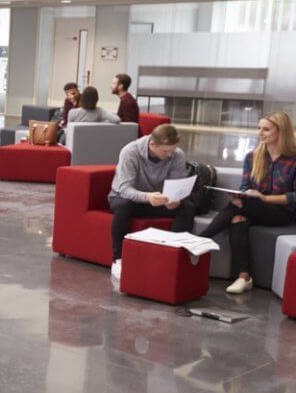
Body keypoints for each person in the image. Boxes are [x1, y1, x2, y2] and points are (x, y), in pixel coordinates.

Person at [199, 113, 296, 294]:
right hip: (253, 208)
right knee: (238, 216)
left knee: (242, 207)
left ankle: (201, 238)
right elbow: (245, 187)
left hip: (282, 212)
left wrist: (265, 198)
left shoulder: (294, 158)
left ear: (281, 131)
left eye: (266, 129)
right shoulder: (253, 157)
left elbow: (294, 197)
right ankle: (244, 277)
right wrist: (241, 194)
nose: (260, 132)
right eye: (259, 128)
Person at [108, 124, 195, 279]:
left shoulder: (177, 154)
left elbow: (177, 185)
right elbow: (124, 189)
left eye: (172, 150)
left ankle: (174, 258)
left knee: (187, 207)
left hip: (158, 199)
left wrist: (176, 199)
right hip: (125, 198)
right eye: (165, 151)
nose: (170, 155)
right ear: (152, 144)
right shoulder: (130, 152)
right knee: (124, 206)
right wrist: (147, 197)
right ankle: (118, 260)